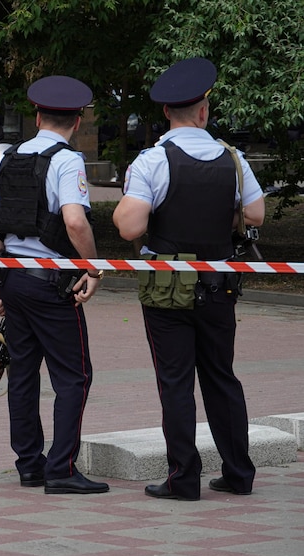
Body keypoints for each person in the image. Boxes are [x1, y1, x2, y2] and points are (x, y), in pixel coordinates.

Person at [112, 58, 265, 501]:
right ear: (204, 111)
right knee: (222, 378)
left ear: (165, 113)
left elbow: (130, 226)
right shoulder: (232, 159)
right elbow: (255, 214)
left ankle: (184, 479)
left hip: (167, 292)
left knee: (176, 382)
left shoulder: (153, 160)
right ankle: (239, 474)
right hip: (220, 288)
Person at [0, 75, 108, 495]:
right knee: (74, 376)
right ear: (76, 120)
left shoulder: (9, 156)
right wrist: (92, 269)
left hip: (16, 277)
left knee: (23, 373)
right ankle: (62, 468)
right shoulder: (68, 160)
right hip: (51, 283)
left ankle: (29, 465)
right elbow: (74, 221)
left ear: (37, 116)